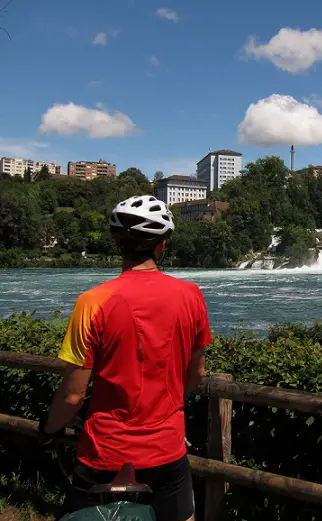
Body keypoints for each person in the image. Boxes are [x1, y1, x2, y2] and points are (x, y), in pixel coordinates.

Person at [39, 195, 212, 521]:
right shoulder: (191, 296)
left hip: (105, 453)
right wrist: (169, 403)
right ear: (162, 246)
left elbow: (74, 394)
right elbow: (197, 372)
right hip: (167, 448)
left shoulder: (92, 302)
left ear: (117, 243)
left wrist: (49, 430)